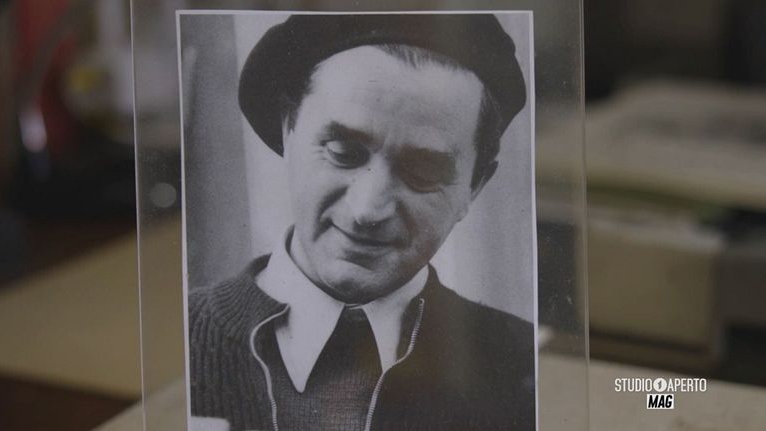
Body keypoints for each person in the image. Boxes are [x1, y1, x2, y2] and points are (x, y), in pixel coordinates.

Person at [189, 14, 534, 431]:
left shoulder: (525, 369)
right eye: (343, 153)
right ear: (288, 131)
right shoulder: (182, 340)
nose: (367, 210)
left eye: (423, 173)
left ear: (474, 187)